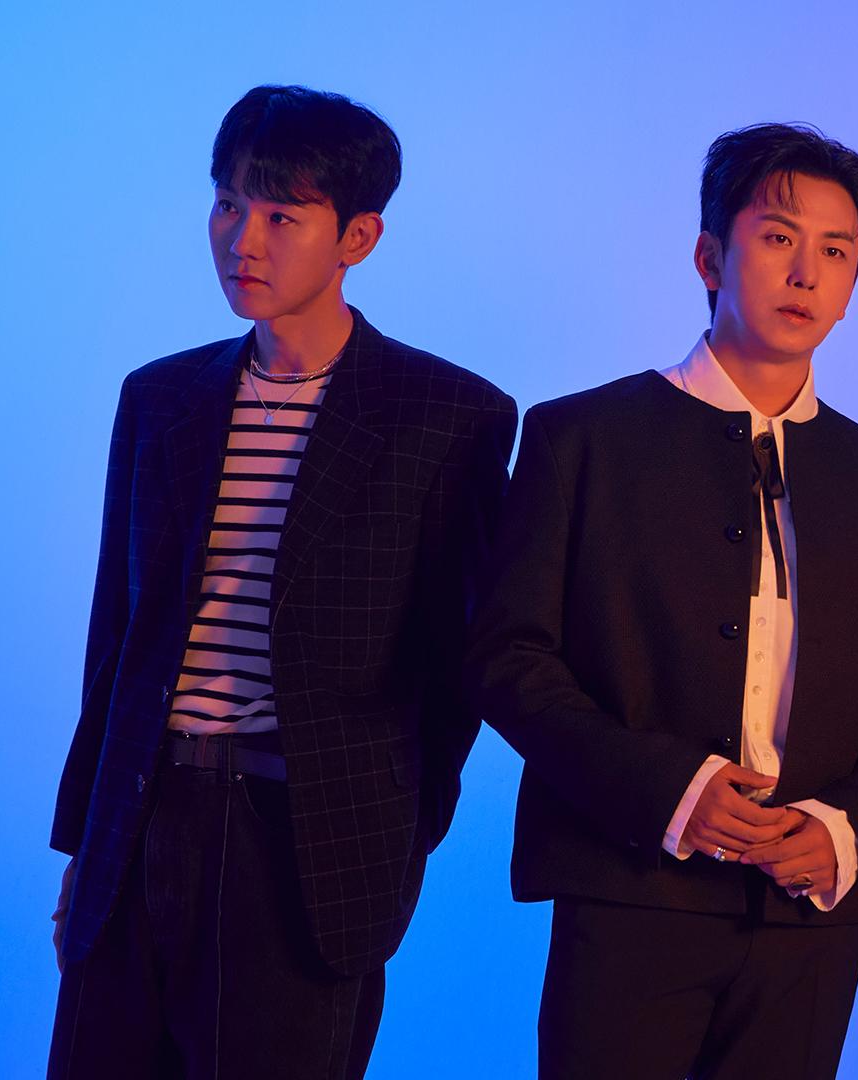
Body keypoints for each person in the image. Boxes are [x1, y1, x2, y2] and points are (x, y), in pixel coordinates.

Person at [48, 84, 517, 1079]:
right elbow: (115, 638)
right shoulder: (160, 396)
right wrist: (87, 842)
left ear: (358, 237)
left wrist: (393, 838)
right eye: (227, 203)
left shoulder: (448, 415)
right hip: (141, 824)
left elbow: (456, 664)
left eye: (280, 216)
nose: (241, 240)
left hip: (304, 844)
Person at [465, 122, 858, 1080]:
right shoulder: (582, 439)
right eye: (778, 238)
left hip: (807, 917)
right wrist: (673, 791)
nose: (805, 273)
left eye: (836, 251)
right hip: (631, 888)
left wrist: (845, 832)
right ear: (708, 257)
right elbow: (507, 659)